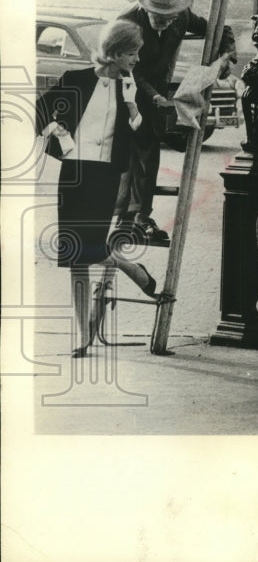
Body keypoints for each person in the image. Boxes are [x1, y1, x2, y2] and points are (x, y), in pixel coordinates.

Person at [35, 19, 161, 357]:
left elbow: (145, 137)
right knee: (75, 256)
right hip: (75, 174)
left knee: (83, 248)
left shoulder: (130, 87)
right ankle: (83, 331)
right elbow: (38, 113)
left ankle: (127, 267)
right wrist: (61, 136)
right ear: (117, 53)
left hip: (107, 177)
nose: (136, 59)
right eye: (132, 53)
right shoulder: (75, 80)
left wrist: (134, 106)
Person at [117, 0, 237, 243]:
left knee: (149, 155)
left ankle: (138, 218)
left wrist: (228, 54)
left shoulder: (180, 16)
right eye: (160, 18)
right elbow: (126, 70)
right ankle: (128, 219)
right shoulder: (127, 23)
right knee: (133, 153)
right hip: (127, 90)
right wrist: (153, 95)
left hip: (156, 94)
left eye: (171, 18)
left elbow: (221, 29)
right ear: (146, 9)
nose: (167, 22)